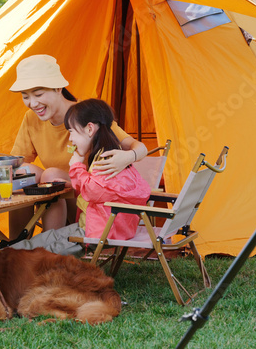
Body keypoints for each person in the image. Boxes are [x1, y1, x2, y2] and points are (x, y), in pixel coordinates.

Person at [8, 54, 148, 240]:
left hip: (91, 202)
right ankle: (15, 244)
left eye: (39, 95)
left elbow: (140, 148)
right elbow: (18, 163)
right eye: (25, 97)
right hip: (59, 195)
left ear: (58, 88)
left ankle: (50, 248)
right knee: (22, 173)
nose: (32, 103)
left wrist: (128, 156)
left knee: (51, 176)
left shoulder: (86, 114)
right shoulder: (30, 119)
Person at [11, 99, 151, 256]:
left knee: (41, 252)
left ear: (90, 129)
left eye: (71, 131)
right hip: (96, 226)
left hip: (95, 233)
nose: (70, 139)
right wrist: (72, 185)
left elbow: (92, 192)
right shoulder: (107, 155)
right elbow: (104, 191)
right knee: (46, 238)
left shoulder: (106, 160)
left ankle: (4, 260)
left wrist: (76, 165)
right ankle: (5, 253)